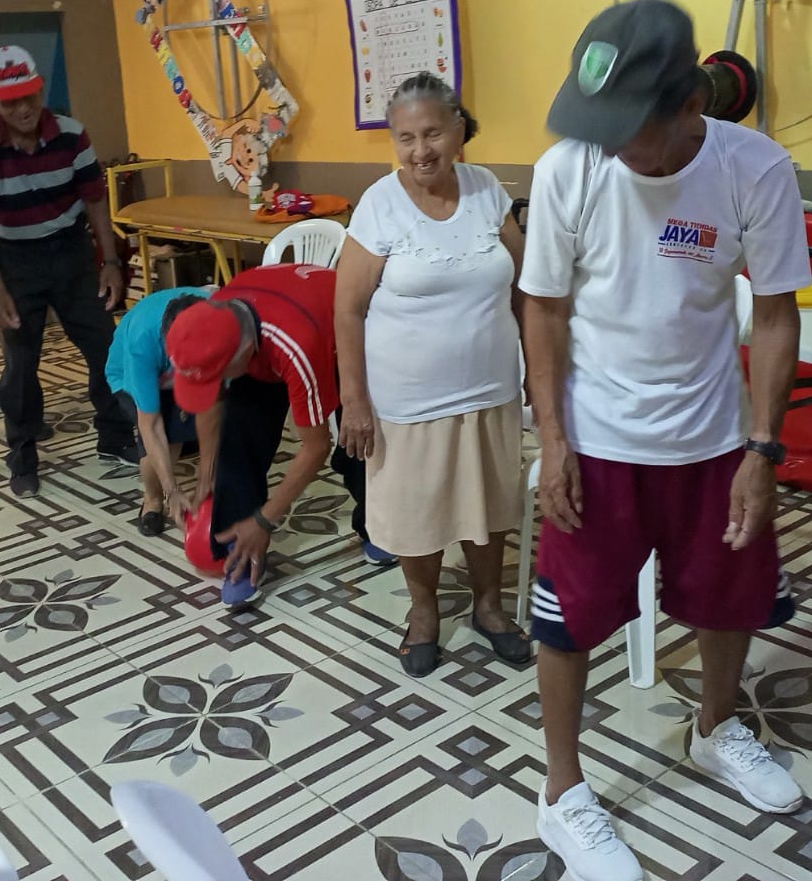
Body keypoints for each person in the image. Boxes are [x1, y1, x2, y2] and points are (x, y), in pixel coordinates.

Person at [519, 0, 812, 880]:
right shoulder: (570, 169)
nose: (607, 145)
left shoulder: (754, 169)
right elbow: (542, 308)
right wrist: (554, 440)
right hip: (597, 441)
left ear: (690, 104)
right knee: (569, 619)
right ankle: (562, 790)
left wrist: (762, 449)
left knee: (731, 595)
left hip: (713, 437)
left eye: (626, 127)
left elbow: (777, 312)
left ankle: (716, 729)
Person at [335, 72, 529, 677]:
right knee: (416, 511)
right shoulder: (379, 204)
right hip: (408, 398)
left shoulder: (487, 189)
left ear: (459, 130)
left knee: (488, 504)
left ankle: (489, 607)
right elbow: (347, 308)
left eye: (433, 134)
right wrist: (354, 399)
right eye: (406, 138)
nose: (421, 150)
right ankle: (423, 614)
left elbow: (524, 286)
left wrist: (539, 371)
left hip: (490, 387)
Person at [0, 45, 136, 496]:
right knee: (21, 364)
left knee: (106, 345)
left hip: (72, 252)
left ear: (40, 91)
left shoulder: (72, 135)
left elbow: (95, 201)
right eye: (9, 102)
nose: (22, 109)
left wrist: (110, 262)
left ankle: (115, 436)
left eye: (28, 97)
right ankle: (22, 453)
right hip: (16, 260)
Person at [164, 262, 388, 608]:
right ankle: (240, 556)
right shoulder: (211, 321)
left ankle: (378, 526)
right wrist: (207, 474)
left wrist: (264, 520)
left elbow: (316, 447)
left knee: (356, 436)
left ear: (241, 356)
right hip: (272, 328)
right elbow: (212, 401)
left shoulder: (296, 346)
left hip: (341, 334)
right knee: (237, 438)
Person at [104, 286, 207, 536]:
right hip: (128, 374)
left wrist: (209, 479)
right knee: (163, 438)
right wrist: (172, 490)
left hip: (181, 370)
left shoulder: (220, 323)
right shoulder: (143, 343)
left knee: (179, 432)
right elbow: (150, 424)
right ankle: (153, 500)